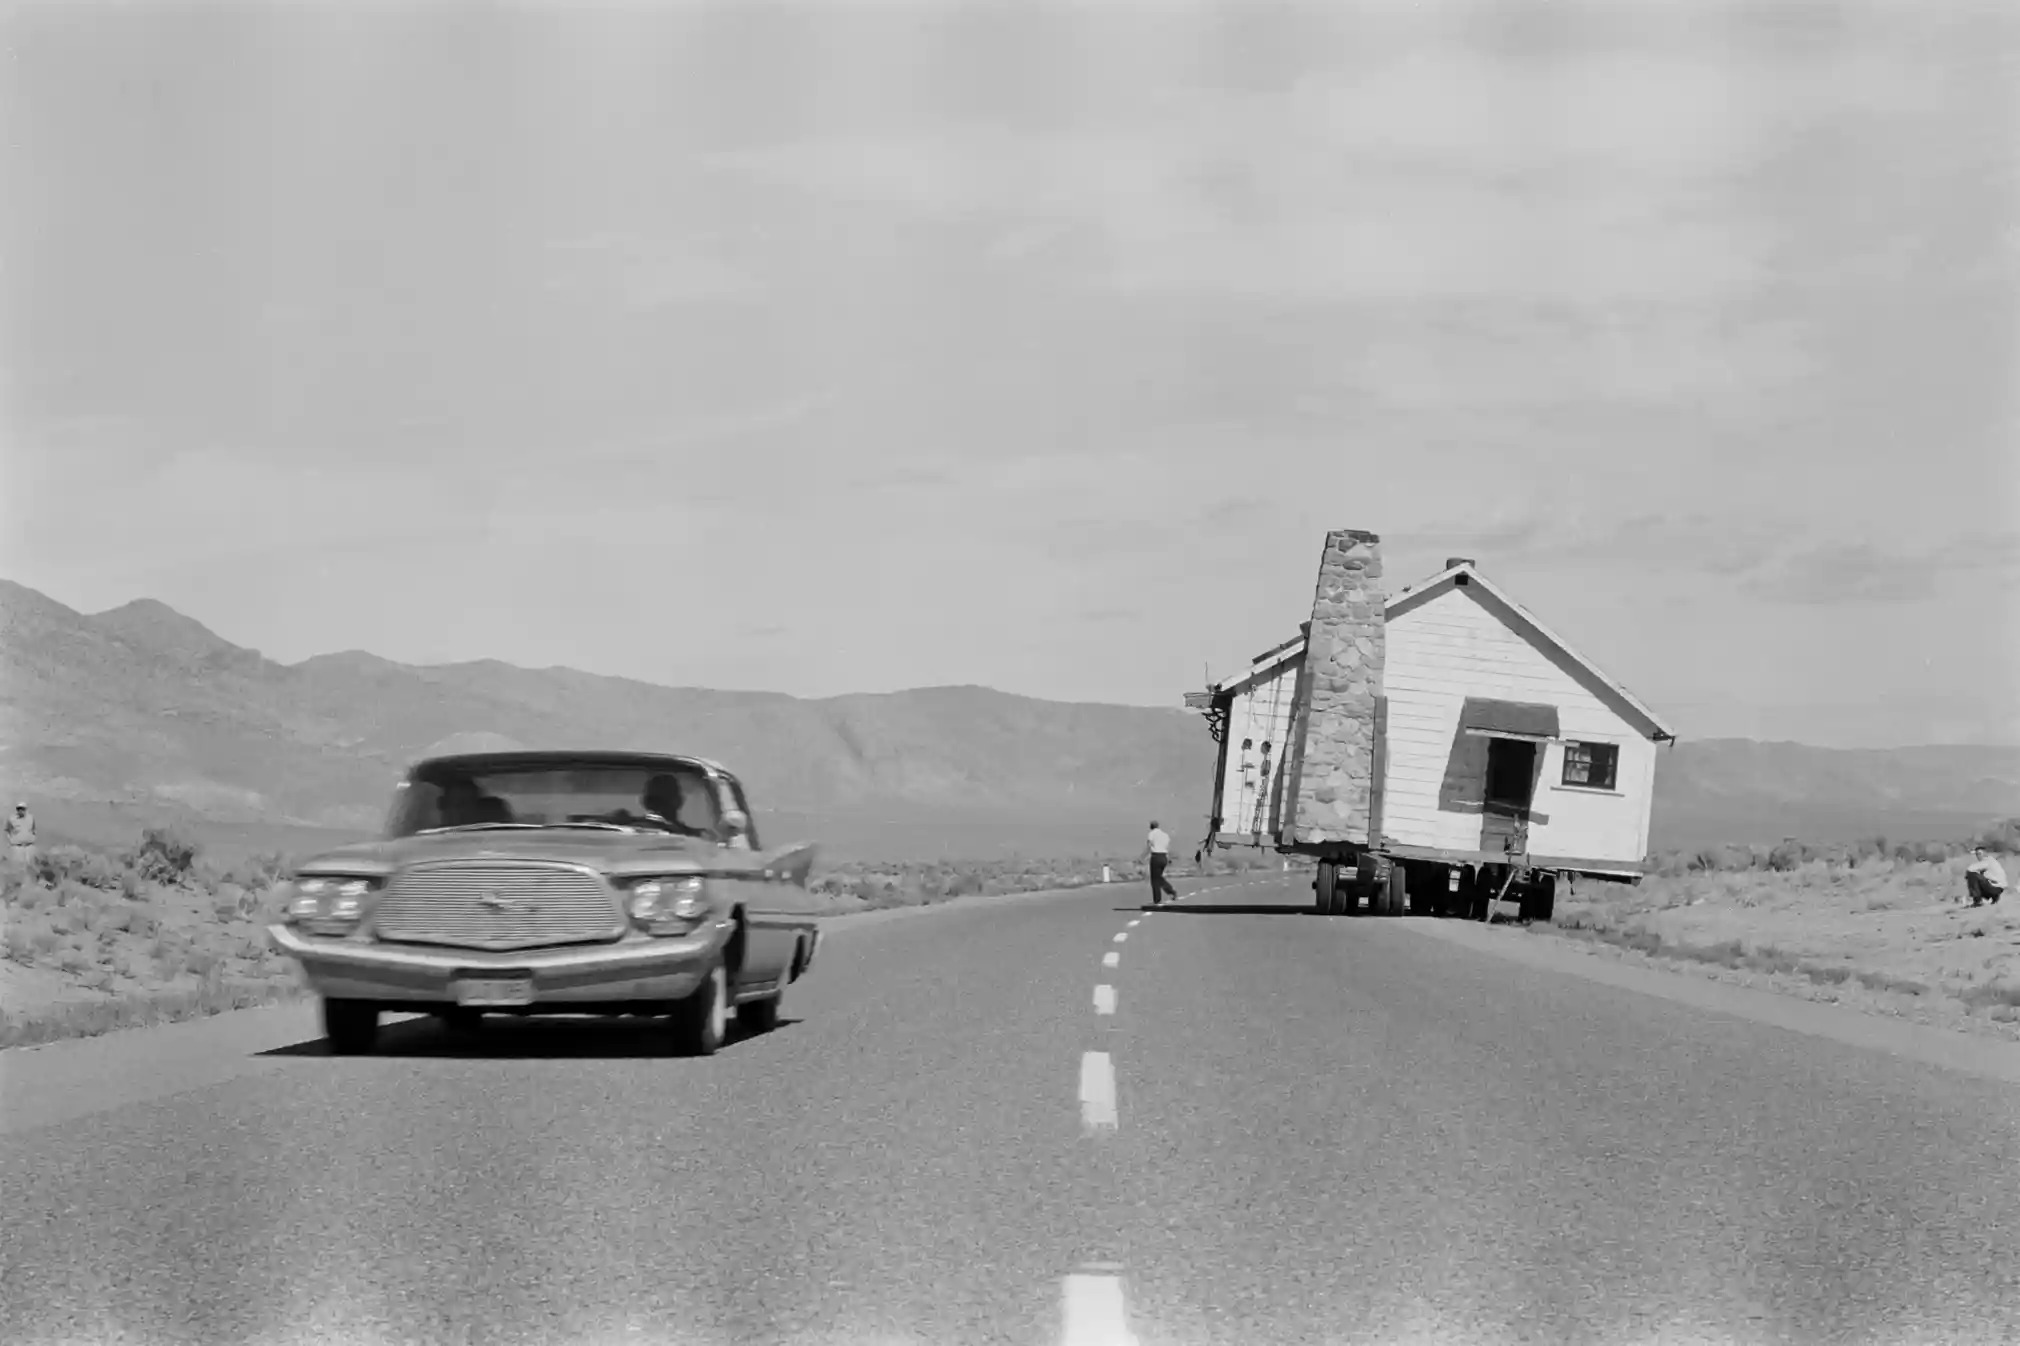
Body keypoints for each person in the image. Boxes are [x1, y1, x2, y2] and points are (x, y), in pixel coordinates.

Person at [1142, 819, 1178, 907]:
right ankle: (1171, 891)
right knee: (1158, 878)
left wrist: (1142, 857)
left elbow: (1149, 846)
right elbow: (1167, 847)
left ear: (1151, 826)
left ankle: (1157, 900)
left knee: (1154, 880)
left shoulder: (1152, 833)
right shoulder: (1165, 835)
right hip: (1164, 857)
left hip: (1156, 857)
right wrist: (1168, 858)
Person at [5, 801, 34, 865]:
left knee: (30, 864)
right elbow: (7, 830)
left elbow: (34, 829)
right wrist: (10, 840)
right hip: (17, 847)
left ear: (26, 810)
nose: (21, 810)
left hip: (29, 846)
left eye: (23, 809)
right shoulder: (11, 819)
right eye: (19, 809)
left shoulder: (31, 818)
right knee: (18, 865)